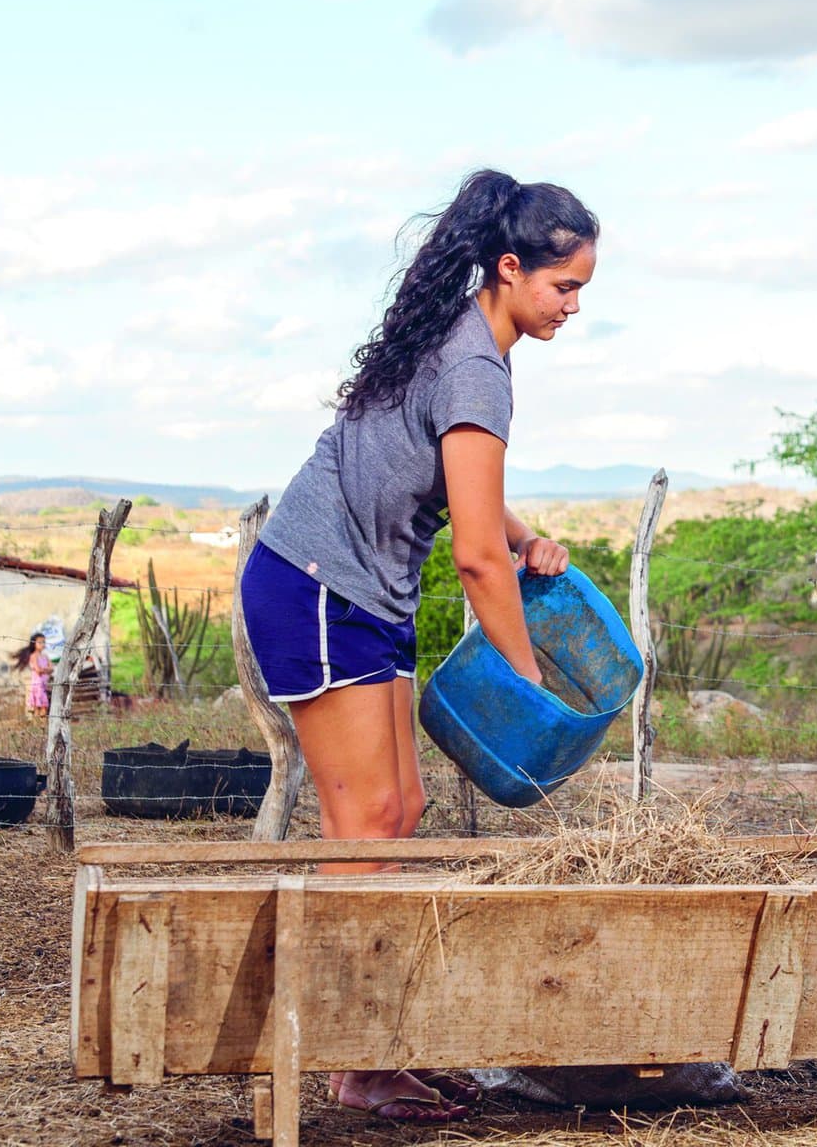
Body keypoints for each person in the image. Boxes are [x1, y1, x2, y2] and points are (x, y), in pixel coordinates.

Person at [238, 169, 594, 1125]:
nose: (571, 308)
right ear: (511, 268)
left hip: (363, 594)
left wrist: (525, 536)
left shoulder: (467, 342)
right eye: (564, 288)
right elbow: (476, 562)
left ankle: (368, 1049)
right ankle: (351, 1058)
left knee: (400, 808)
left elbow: (480, 515)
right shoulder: (477, 363)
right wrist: (526, 681)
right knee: (366, 823)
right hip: (316, 587)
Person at [12, 632, 52, 720]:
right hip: (38, 685)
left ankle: (42, 725)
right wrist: (46, 669)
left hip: (44, 685)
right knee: (38, 706)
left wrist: (44, 670)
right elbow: (38, 670)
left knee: (44, 706)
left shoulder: (45, 656)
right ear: (34, 644)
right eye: (40, 642)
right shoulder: (33, 656)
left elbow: (51, 668)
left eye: (44, 642)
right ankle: (38, 724)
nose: (42, 644)